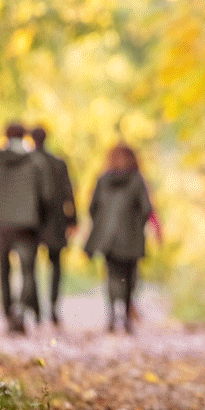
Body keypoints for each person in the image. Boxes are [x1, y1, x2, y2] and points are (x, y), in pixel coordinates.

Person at [0, 122, 53, 334]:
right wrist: (39, 216)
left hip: (1, 225)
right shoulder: (35, 161)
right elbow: (46, 195)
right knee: (28, 271)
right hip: (28, 225)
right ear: (25, 136)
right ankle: (20, 308)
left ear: (6, 136)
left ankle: (8, 313)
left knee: (3, 269)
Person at [84, 143, 154, 334]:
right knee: (130, 276)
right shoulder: (137, 180)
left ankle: (113, 314)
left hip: (108, 238)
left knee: (112, 275)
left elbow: (92, 208)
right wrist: (137, 225)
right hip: (132, 236)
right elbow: (146, 209)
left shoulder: (103, 180)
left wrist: (103, 225)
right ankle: (126, 316)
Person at [30, 126, 77, 327]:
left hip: (32, 221)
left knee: (29, 267)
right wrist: (73, 219)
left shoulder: (28, 162)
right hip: (56, 221)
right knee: (56, 265)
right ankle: (53, 307)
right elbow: (69, 193)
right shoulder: (59, 163)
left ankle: (37, 310)